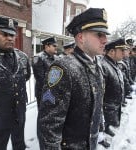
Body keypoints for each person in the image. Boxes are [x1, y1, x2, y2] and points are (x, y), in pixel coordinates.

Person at [37, 8, 109, 150]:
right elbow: (49, 124)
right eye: (99, 34)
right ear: (81, 37)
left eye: (105, 35)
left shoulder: (97, 65)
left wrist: (99, 130)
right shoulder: (63, 68)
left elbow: (97, 105)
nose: (105, 40)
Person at [0, 17, 31, 150]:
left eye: (12, 34)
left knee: (19, 144)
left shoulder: (22, 57)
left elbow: (25, 77)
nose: (10, 38)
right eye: (4, 34)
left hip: (19, 112)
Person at [100, 38, 127, 138]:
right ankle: (101, 136)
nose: (124, 53)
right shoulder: (103, 66)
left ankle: (106, 128)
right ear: (112, 51)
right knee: (102, 125)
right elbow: (99, 95)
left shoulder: (114, 63)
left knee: (108, 123)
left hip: (112, 106)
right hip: (106, 107)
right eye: (122, 51)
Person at [32, 37, 58, 108]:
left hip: (55, 91)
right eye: (54, 46)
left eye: (56, 46)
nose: (56, 48)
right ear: (47, 46)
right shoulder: (38, 58)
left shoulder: (56, 58)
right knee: (44, 115)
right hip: (44, 92)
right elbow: (40, 78)